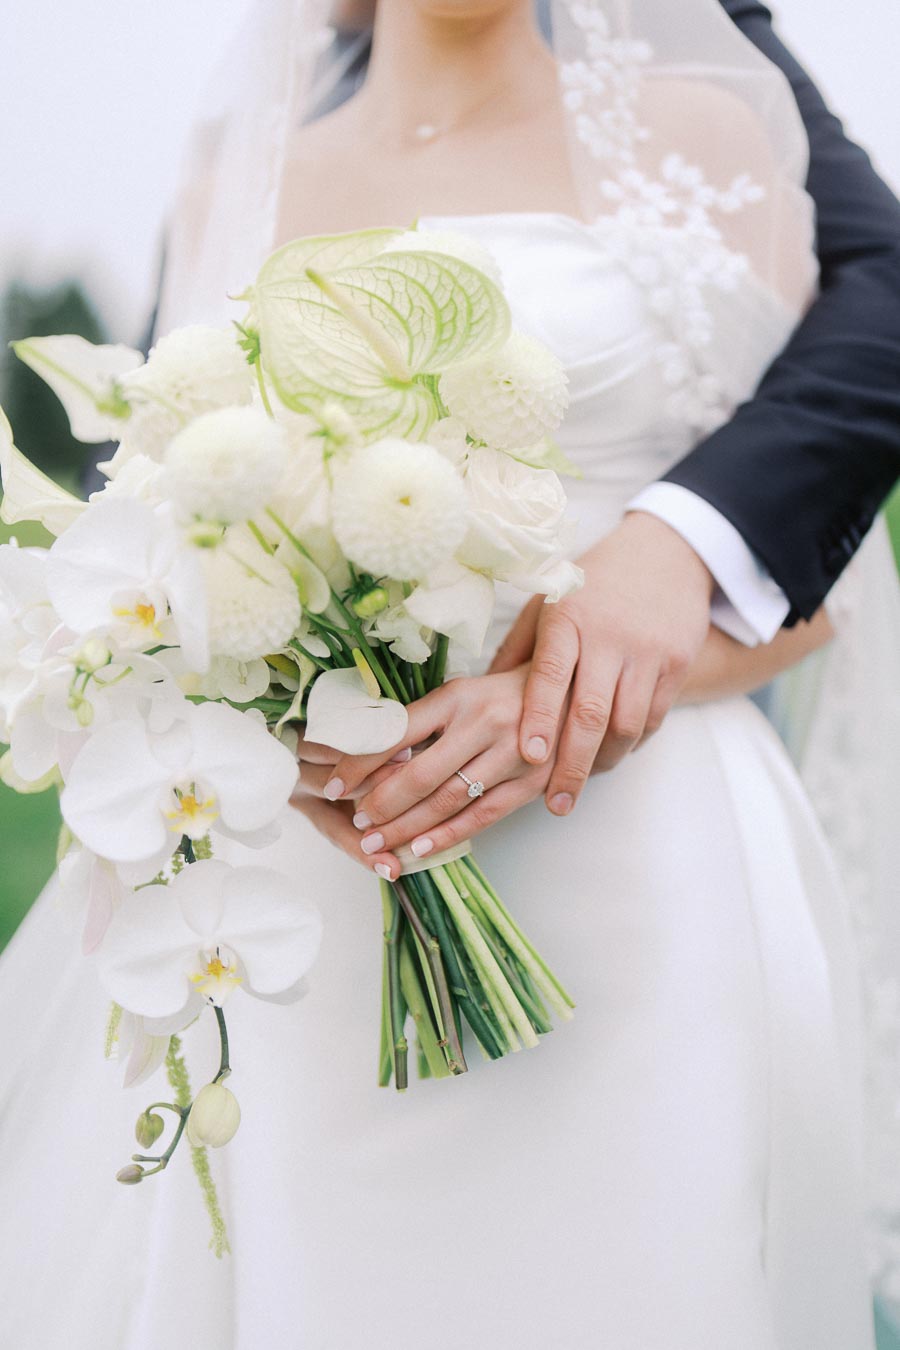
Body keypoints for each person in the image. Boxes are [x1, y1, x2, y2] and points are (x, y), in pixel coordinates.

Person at [1, 2, 899, 1348]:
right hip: (320, 899)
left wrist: (560, 703)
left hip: (646, 871)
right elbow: (161, 555)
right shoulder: (228, 184)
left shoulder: (707, 137)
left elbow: (810, 598)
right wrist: (266, 705)